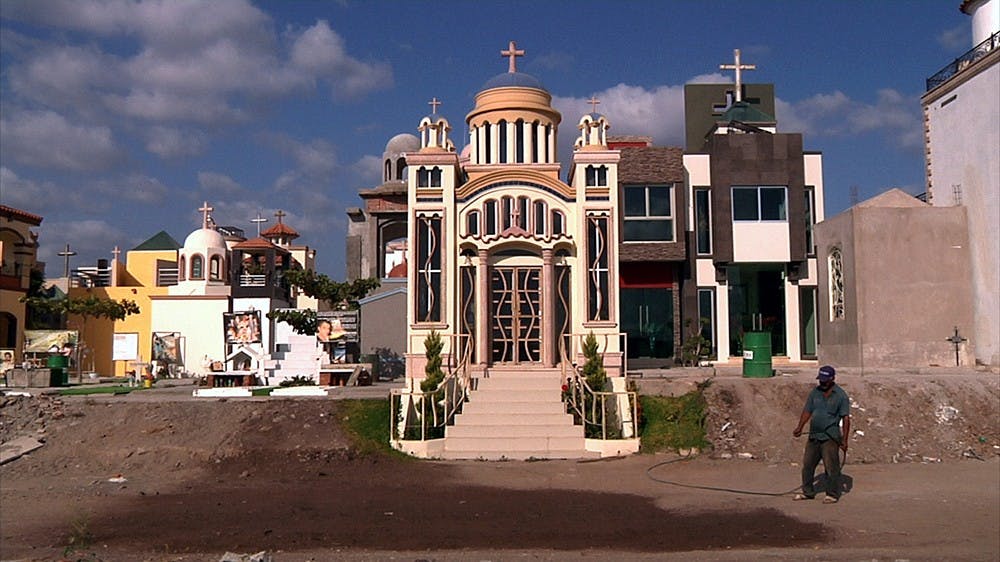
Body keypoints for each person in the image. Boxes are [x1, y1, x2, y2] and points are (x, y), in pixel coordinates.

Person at [792, 365, 851, 504]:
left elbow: (846, 418)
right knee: (808, 465)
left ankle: (832, 494)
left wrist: (844, 440)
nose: (822, 383)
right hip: (814, 435)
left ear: (832, 379)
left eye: (825, 381)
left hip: (830, 437)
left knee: (831, 467)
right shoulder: (815, 393)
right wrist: (800, 427)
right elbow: (808, 410)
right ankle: (808, 492)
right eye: (821, 380)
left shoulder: (841, 396)